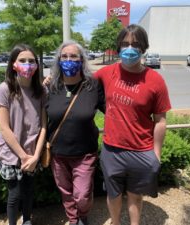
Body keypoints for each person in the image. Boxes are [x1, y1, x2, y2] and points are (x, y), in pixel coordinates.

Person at [94, 24, 171, 225]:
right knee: (114, 195)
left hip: (141, 150)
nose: (130, 48)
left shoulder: (155, 80)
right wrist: (50, 80)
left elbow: (161, 120)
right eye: (125, 43)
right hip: (112, 150)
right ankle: (116, 222)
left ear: (143, 47)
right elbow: (79, 84)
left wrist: (156, 154)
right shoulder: (106, 73)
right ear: (119, 46)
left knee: (135, 196)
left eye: (135, 44)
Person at [46, 40, 105, 225]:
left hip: (85, 152)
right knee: (65, 191)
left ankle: (83, 213)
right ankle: (74, 219)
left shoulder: (93, 86)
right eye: (64, 56)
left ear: (82, 60)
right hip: (57, 153)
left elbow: (112, 111)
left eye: (73, 56)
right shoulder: (50, 87)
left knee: (82, 194)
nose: (68, 60)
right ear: (58, 60)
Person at [0, 44, 47, 225]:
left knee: (29, 191)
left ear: (37, 65)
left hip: (32, 153)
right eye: (22, 60)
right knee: (14, 195)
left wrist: (35, 156)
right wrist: (23, 157)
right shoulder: (5, 88)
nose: (27, 64)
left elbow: (44, 127)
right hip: (12, 154)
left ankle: (27, 220)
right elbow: (4, 128)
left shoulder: (41, 91)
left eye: (31, 61)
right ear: (13, 64)